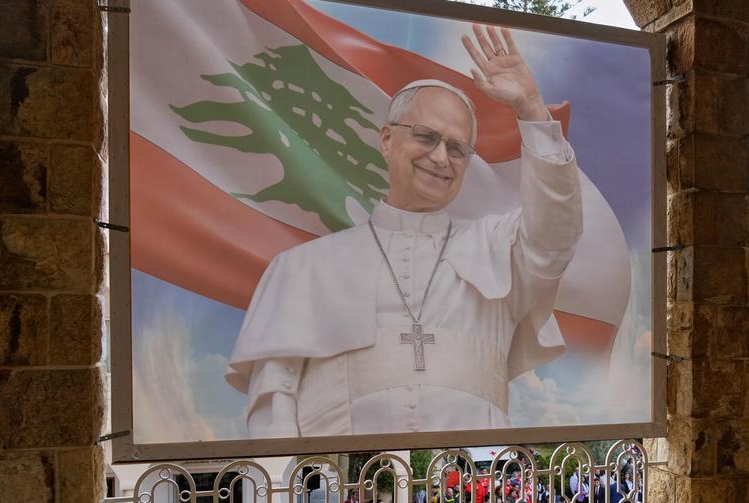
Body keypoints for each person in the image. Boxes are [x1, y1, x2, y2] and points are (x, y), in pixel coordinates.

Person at [226, 25, 583, 438]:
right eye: (426, 137)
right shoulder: (300, 269)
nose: (439, 157)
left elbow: (556, 229)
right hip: (346, 497)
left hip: (470, 493)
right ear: (386, 139)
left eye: (456, 148)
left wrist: (532, 110)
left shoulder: (498, 249)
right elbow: (274, 403)